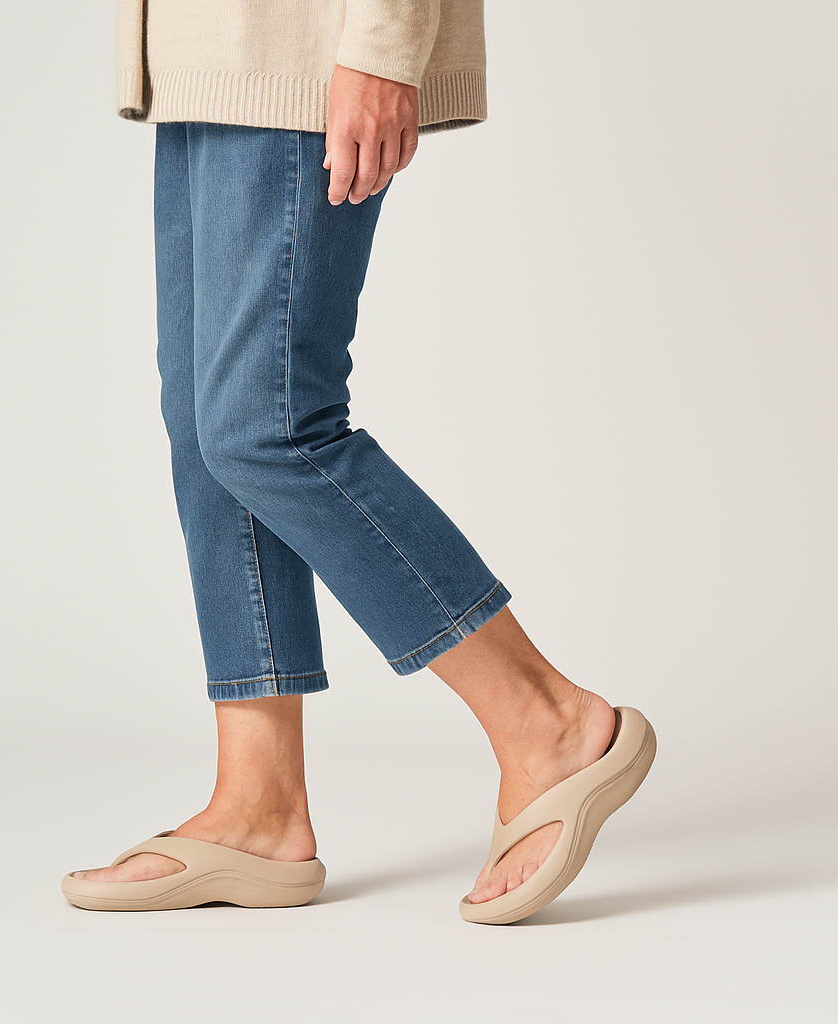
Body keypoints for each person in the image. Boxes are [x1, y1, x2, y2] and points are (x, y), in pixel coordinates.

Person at [61, 0, 656, 925]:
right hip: (203, 48)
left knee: (268, 426)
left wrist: (383, 44)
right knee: (208, 433)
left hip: (299, 45)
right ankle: (258, 805)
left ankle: (547, 718)